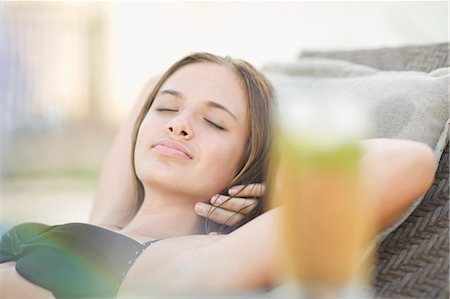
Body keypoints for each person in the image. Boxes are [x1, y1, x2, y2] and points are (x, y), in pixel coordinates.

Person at [0, 52, 436, 299]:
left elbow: (406, 162)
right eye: (168, 109)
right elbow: (153, 83)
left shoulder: (192, 262)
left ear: (248, 161)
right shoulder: (108, 221)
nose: (178, 124)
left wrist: (271, 178)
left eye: (216, 123)